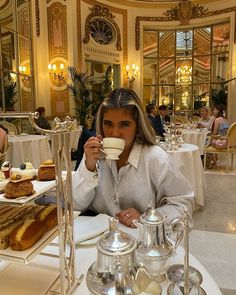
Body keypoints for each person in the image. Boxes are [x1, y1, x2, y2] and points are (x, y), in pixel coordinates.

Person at [72, 88, 193, 227]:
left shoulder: (155, 158)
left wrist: (147, 218)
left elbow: (183, 207)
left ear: (137, 126)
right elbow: (76, 205)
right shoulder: (95, 155)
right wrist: (89, 167)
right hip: (98, 240)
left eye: (124, 124)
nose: (115, 133)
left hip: (140, 241)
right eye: (108, 124)